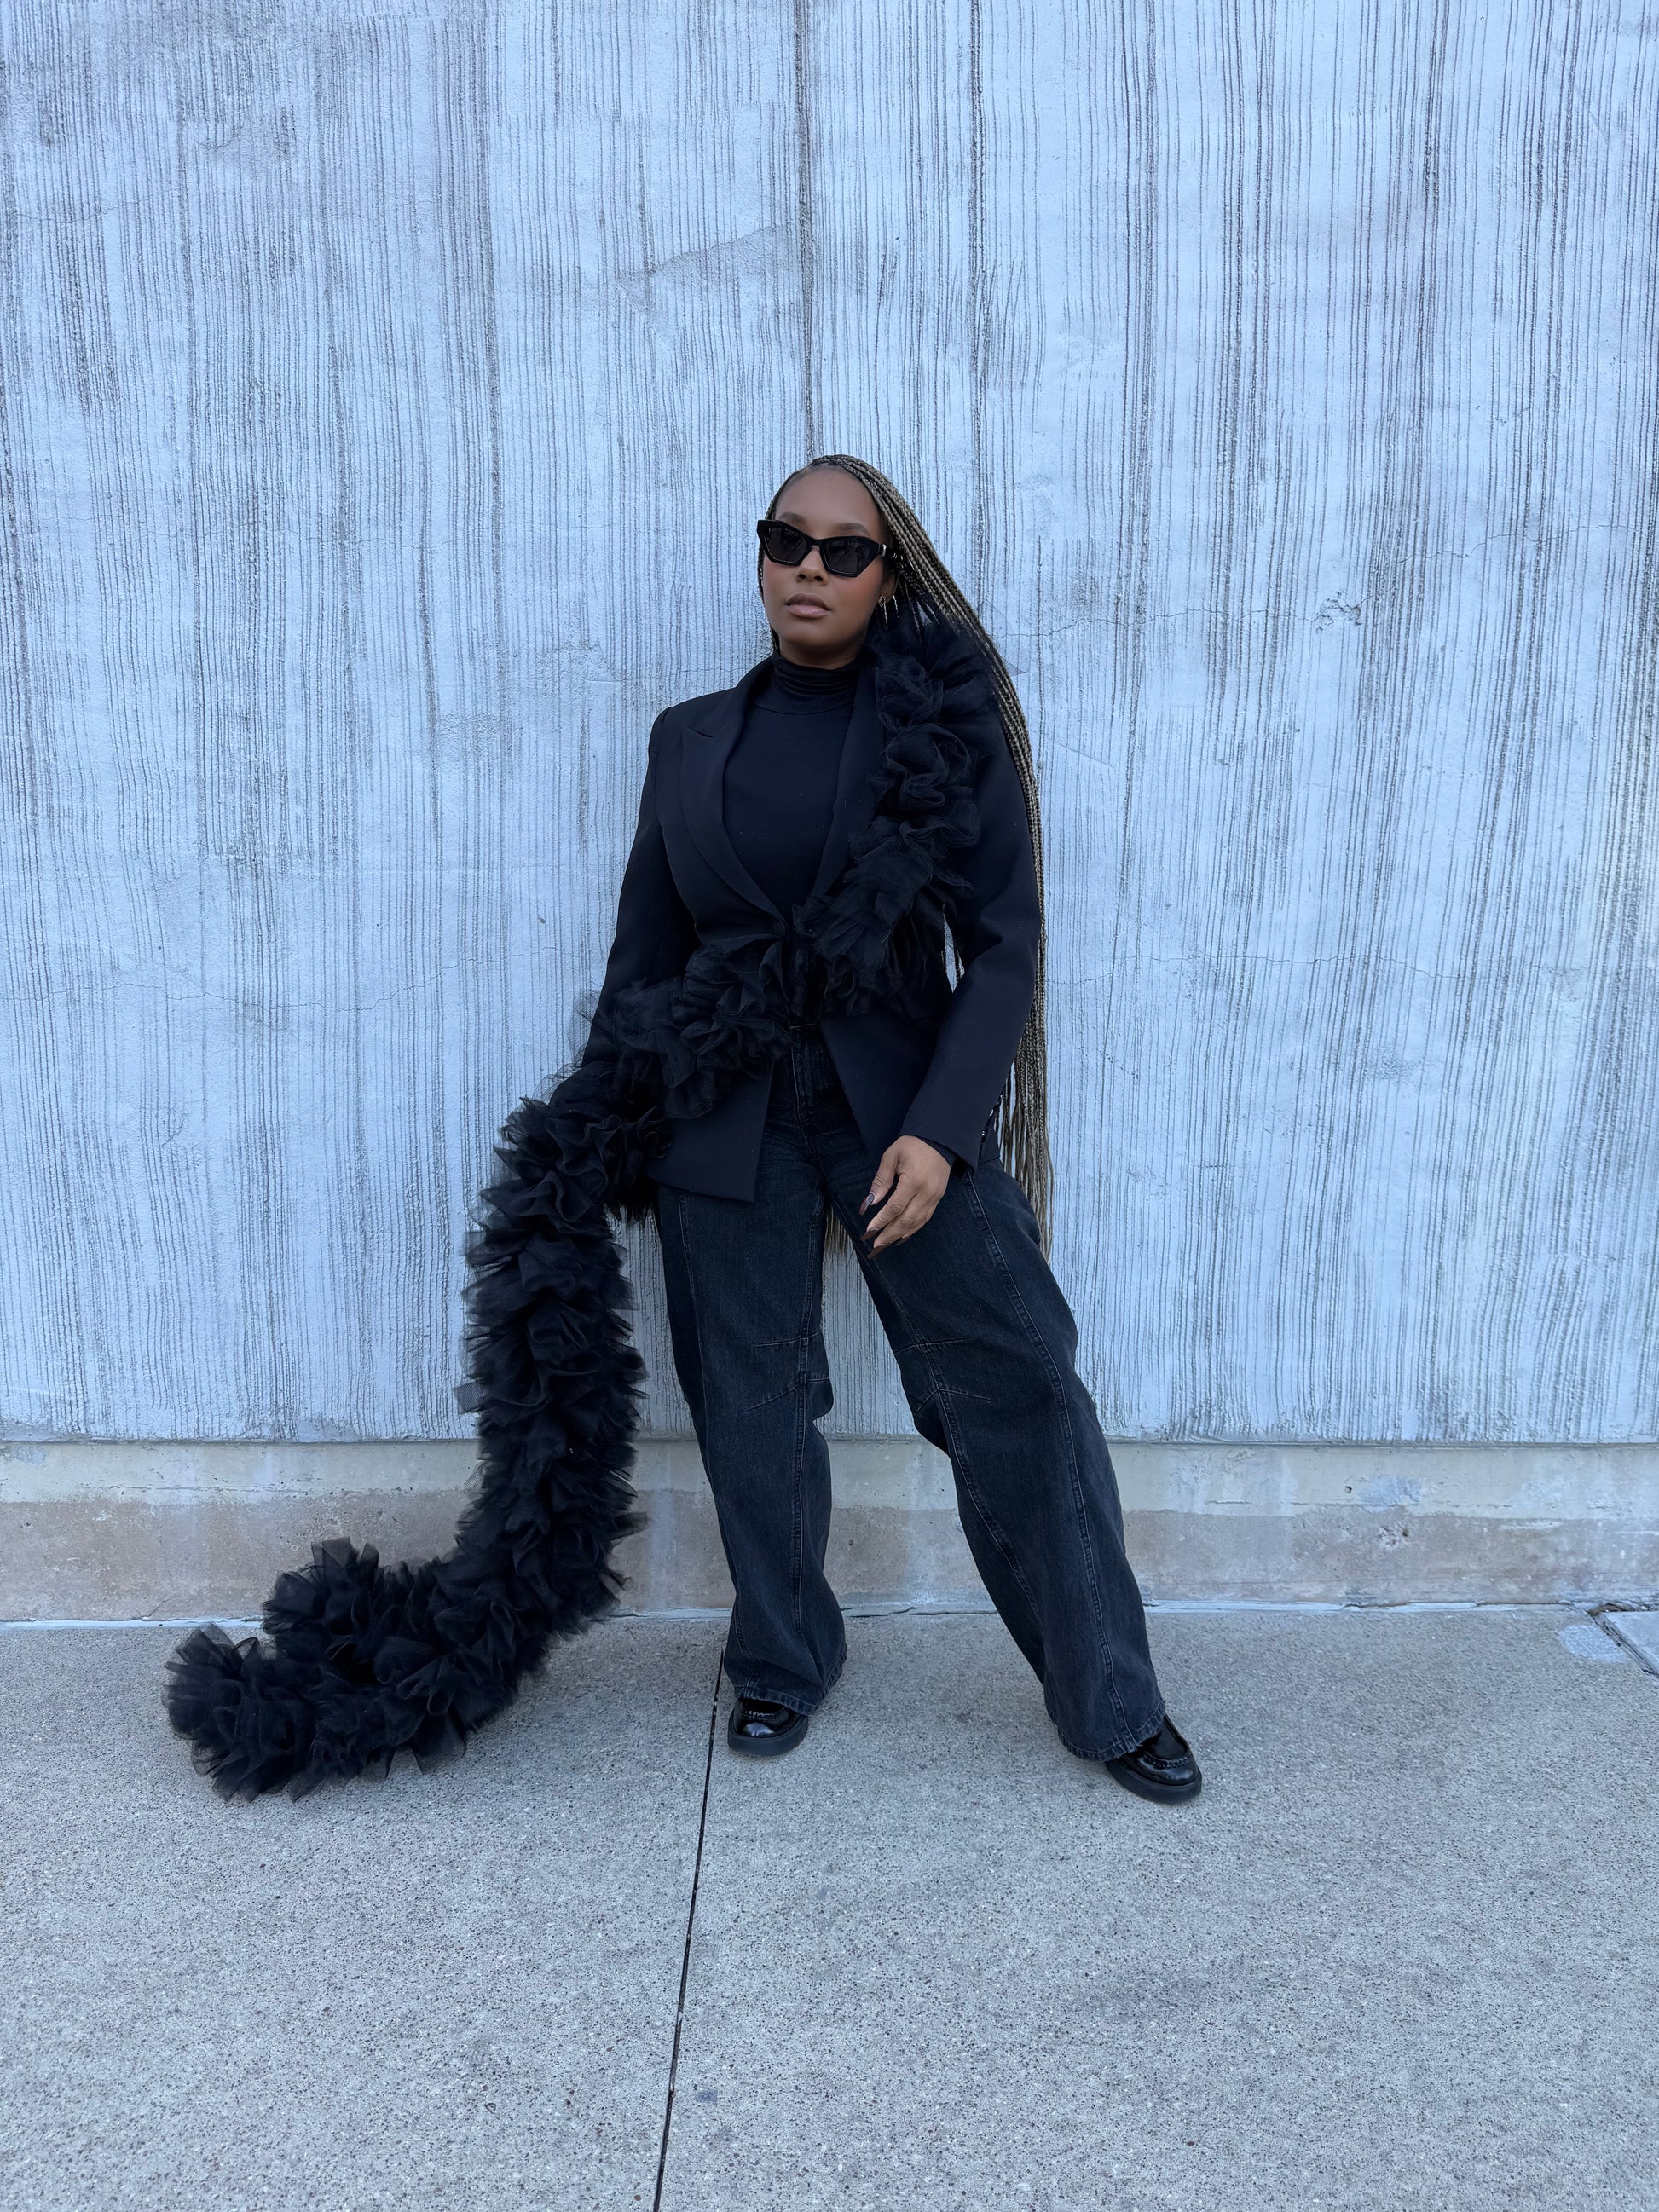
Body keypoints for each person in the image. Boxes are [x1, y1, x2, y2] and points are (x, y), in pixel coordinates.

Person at [585, 454, 1201, 1805]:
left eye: (843, 550)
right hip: (720, 1110)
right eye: (785, 540)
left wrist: (940, 1129)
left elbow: (1003, 940)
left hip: (899, 1108)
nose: (808, 567)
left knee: (1016, 1382)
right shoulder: (687, 738)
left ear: (887, 574)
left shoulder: (939, 720)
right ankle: (780, 1658)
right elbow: (646, 951)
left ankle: (1111, 1697)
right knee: (749, 1404)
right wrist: (601, 1128)